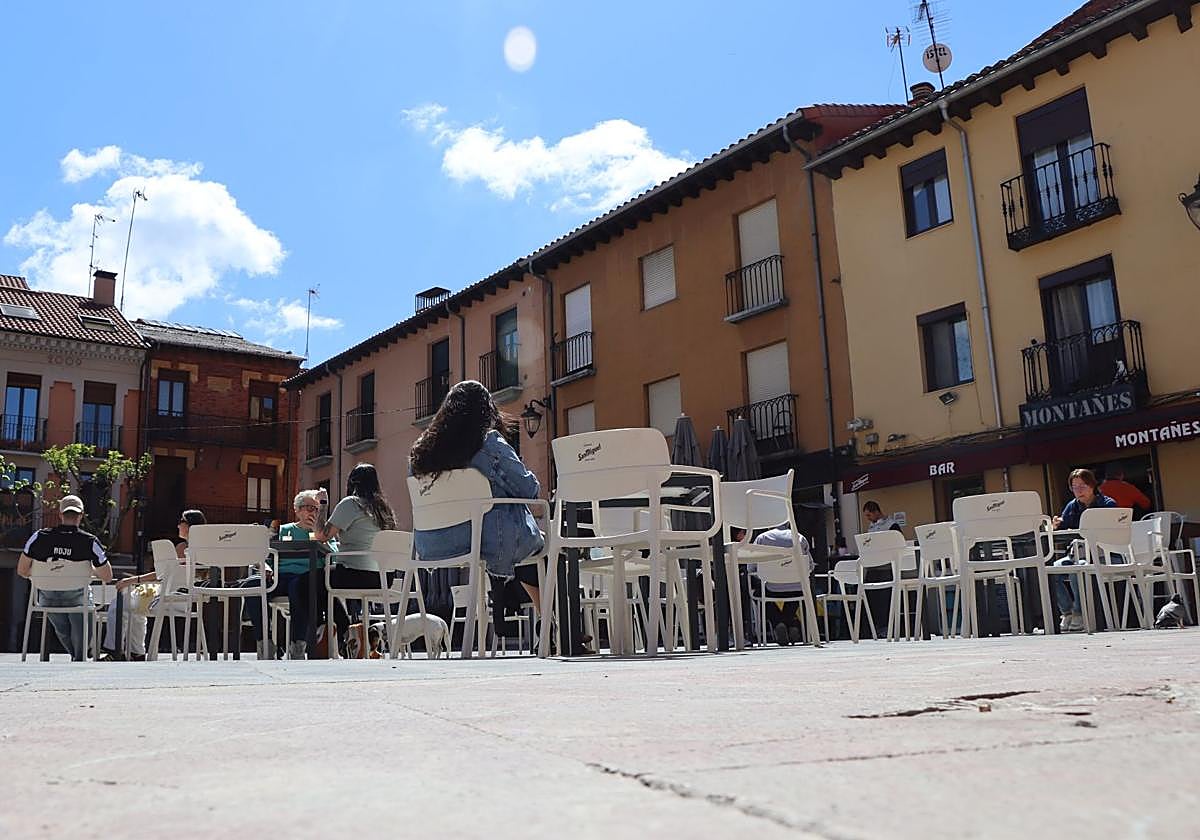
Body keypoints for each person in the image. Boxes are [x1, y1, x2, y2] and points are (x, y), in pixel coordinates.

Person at [409, 381, 544, 639]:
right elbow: (529, 490)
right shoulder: (489, 443)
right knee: (546, 554)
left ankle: (543, 617)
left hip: (433, 545)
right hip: (488, 541)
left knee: (527, 550)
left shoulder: (421, 454)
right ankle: (552, 622)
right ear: (486, 412)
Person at [309, 464, 397, 651]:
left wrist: (322, 505)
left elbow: (321, 536)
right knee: (323, 580)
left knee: (311, 580)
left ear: (352, 483)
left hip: (357, 574)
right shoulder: (385, 509)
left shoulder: (351, 503)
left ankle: (332, 632)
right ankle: (350, 632)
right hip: (383, 578)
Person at [17, 495, 113, 660]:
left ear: (60, 515)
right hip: (77, 596)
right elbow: (107, 576)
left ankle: (78, 654)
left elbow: (22, 570)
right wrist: (88, 570)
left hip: (47, 597)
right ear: (81, 515)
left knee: (62, 628)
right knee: (82, 611)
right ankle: (80, 654)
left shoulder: (38, 537)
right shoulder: (89, 541)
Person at [103, 509, 206, 660]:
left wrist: (132, 580)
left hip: (168, 597)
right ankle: (136, 652)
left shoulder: (182, 549)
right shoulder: (206, 550)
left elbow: (161, 574)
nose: (178, 525)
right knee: (135, 605)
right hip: (189, 599)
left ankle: (114, 651)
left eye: (181, 522)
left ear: (190, 526)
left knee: (120, 602)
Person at [241, 490, 330, 660]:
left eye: (316, 509)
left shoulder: (323, 532)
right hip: (279, 576)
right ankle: (264, 642)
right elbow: (262, 554)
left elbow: (332, 555)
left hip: (307, 577)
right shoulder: (282, 530)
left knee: (299, 587)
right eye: (308, 508)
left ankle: (298, 644)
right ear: (297, 510)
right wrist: (266, 567)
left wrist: (316, 532)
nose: (312, 512)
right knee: (251, 586)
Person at [1051, 468, 1116, 632]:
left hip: (1106, 555)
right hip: (1078, 553)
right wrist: (1056, 526)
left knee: (1076, 568)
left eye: (1082, 486)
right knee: (1053, 571)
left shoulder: (1107, 504)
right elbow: (1062, 530)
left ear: (1092, 485)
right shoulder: (1072, 506)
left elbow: (1114, 532)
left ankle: (1080, 614)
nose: (1078, 490)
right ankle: (1067, 612)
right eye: (1074, 487)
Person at [751, 526, 812, 646]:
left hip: (771, 587)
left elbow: (752, 568)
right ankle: (791, 623)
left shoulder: (762, 538)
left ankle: (778, 622)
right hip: (797, 587)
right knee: (796, 591)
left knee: (758, 594)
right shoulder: (799, 537)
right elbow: (809, 565)